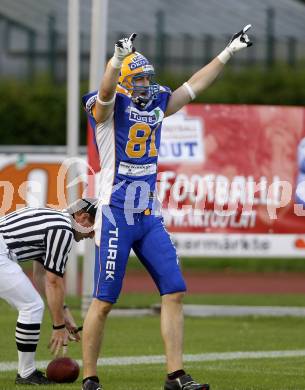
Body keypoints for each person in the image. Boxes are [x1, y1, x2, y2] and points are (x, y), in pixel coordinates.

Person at [81, 26, 252, 390]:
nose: (146, 85)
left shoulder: (156, 100)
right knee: (104, 300)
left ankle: (175, 376)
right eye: (138, 79)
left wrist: (227, 52)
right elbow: (106, 95)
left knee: (174, 290)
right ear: (126, 81)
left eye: (147, 78)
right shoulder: (108, 102)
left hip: (148, 214)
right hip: (115, 214)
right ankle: (90, 377)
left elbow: (193, 87)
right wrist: (116, 61)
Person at [0, 198, 97, 385]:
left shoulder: (55, 219)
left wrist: (64, 313)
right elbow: (53, 280)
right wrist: (58, 326)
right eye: (94, 226)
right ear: (82, 216)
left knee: (32, 304)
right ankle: (26, 374)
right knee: (32, 306)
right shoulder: (63, 229)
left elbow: (41, 276)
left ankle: (26, 373)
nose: (93, 235)